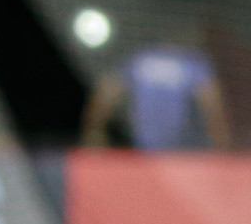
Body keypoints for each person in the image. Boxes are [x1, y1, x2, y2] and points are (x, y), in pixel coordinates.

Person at [82, 39, 233, 150]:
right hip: (167, 153)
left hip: (172, 150)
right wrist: (222, 143)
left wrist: (94, 131)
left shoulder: (140, 59)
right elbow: (212, 103)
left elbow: (107, 91)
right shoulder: (192, 62)